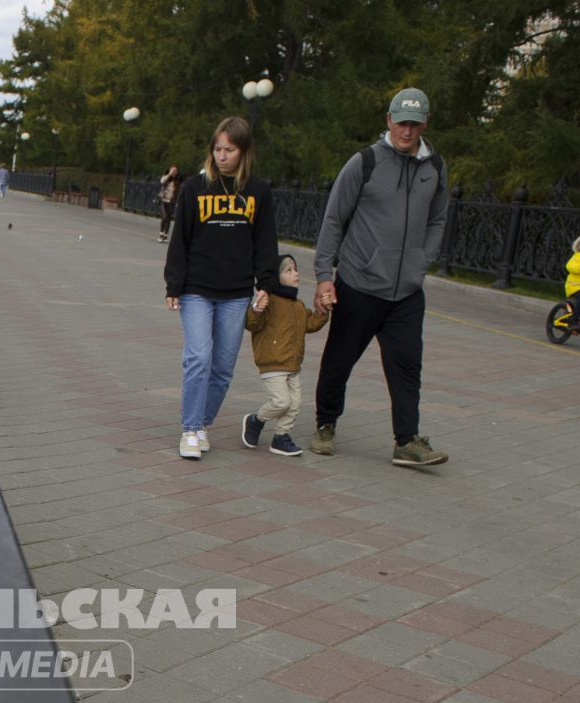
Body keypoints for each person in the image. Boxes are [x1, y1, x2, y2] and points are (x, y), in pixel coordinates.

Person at [309, 87, 451, 467]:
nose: (407, 131)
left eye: (414, 124)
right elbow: (334, 218)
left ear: (425, 124)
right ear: (389, 120)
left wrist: (424, 259)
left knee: (407, 366)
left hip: (406, 291)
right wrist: (325, 275)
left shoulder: (434, 167)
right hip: (359, 283)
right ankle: (325, 425)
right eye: (401, 123)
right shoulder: (365, 162)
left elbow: (438, 218)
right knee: (339, 360)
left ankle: (406, 440)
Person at [163, 116, 279, 461]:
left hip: (237, 291)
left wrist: (266, 285)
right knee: (198, 356)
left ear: (244, 152)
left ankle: (202, 425)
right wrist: (174, 284)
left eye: (229, 150)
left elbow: (265, 242)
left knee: (223, 366)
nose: (222, 156)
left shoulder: (258, 191)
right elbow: (180, 239)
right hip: (196, 288)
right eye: (217, 149)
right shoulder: (195, 188)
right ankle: (189, 429)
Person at [240, 254, 330, 457]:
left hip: (293, 364)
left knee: (295, 404)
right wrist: (255, 308)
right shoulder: (269, 300)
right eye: (288, 270)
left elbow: (310, 324)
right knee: (281, 402)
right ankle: (255, 420)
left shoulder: (297, 305)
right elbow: (251, 324)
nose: (295, 273)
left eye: (296, 269)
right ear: (276, 277)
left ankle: (281, 436)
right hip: (272, 363)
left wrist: (324, 311)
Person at [156, 165, 181, 243]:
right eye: (172, 170)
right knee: (164, 216)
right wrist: (169, 174)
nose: (174, 172)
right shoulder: (166, 177)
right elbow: (162, 181)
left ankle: (165, 235)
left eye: (175, 171)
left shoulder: (177, 180)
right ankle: (161, 234)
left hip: (171, 201)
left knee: (169, 218)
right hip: (163, 200)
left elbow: (178, 191)